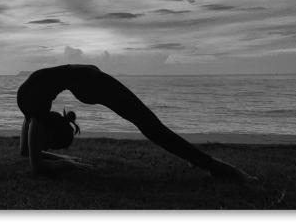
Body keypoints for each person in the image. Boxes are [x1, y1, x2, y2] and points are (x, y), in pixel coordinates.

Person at [17, 64, 253, 181]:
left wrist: (66, 164)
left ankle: (214, 165)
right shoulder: (34, 113)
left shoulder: (36, 117)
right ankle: (206, 163)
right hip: (86, 78)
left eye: (50, 146)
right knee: (149, 125)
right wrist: (64, 159)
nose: (44, 148)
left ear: (50, 132)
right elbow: (28, 152)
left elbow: (34, 164)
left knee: (150, 125)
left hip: (90, 81)